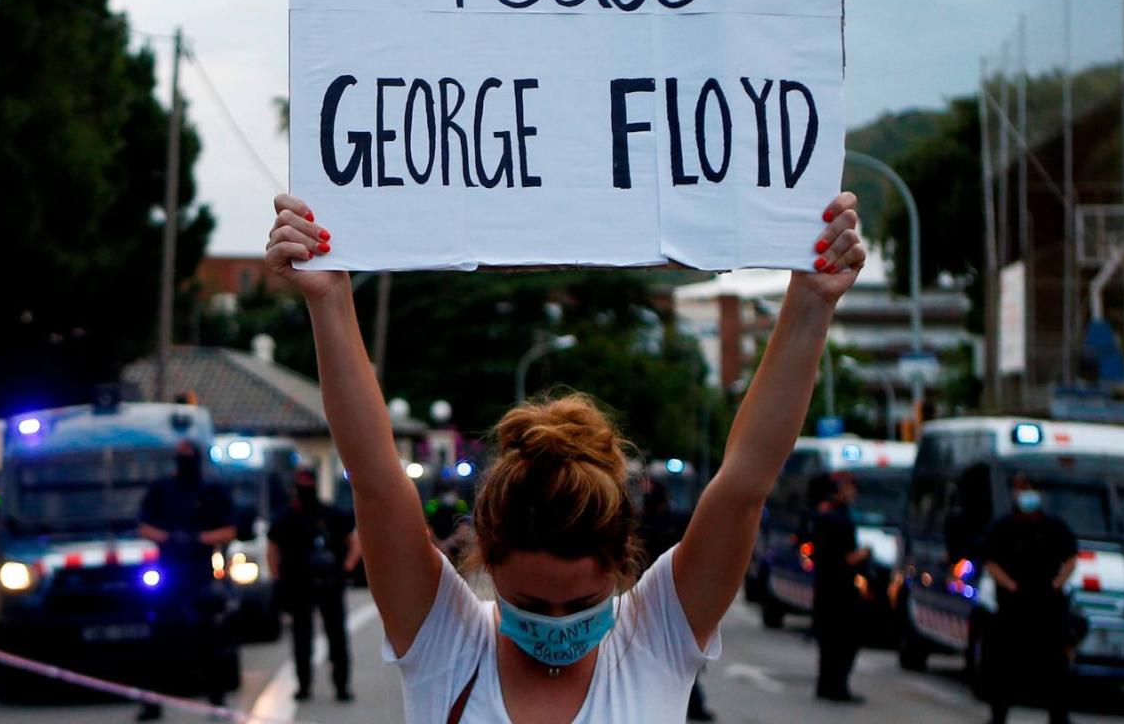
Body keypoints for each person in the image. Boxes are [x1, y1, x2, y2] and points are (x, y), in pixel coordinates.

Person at [263, 189, 866, 722]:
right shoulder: (443, 644)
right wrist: (328, 298)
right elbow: (376, 481)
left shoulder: (657, 636)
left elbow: (744, 484)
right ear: (487, 564)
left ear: (622, 565)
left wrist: (812, 300)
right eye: (529, 605)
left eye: (581, 606)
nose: (555, 626)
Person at [134, 438, 238, 720]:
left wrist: (199, 539)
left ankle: (217, 701)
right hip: (168, 572)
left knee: (211, 641)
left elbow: (230, 530)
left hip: (201, 573)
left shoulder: (212, 489)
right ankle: (152, 703)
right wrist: (169, 538)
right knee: (159, 641)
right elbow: (143, 527)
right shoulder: (161, 489)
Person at [979, 473, 1079, 724]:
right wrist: (1010, 585)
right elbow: (989, 561)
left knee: (1055, 665)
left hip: (1047, 606)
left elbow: (1071, 557)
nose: (1026, 494)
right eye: (1021, 489)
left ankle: (1059, 715)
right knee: (1005, 664)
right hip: (1013, 606)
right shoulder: (1004, 526)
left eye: (1030, 489)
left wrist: (1057, 583)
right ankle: (999, 714)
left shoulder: (1053, 526)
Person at [270, 468, 362, 702]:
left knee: (336, 637)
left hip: (330, 583)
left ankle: (341, 685)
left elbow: (354, 542)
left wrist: (345, 568)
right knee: (302, 638)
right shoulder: (286, 517)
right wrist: (279, 578)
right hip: (299, 584)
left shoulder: (331, 513)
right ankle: (304, 685)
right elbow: (272, 549)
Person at [637, 478, 714, 721]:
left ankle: (692, 703)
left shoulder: (674, 521)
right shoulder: (642, 522)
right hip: (650, 597)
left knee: (682, 651)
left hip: (673, 595)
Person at [810, 471, 870, 703]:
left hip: (827, 589)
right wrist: (862, 555)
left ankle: (827, 684)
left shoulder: (828, 514)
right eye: (849, 488)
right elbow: (839, 557)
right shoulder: (837, 518)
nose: (853, 492)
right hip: (839, 590)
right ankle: (836, 685)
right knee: (844, 640)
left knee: (830, 641)